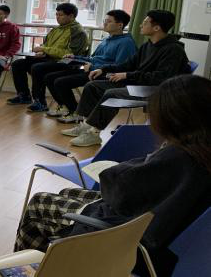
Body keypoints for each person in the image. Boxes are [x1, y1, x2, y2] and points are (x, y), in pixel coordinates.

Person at [15, 74, 211, 277]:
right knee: (66, 192)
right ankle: (52, 265)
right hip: (167, 236)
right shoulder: (200, 149)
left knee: (39, 203)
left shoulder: (180, 156)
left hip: (132, 242)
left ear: (173, 119)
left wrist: (131, 167)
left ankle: (38, 270)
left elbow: (119, 191)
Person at [63, 10, 190, 146]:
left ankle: (94, 133)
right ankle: (86, 126)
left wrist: (127, 75)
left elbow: (161, 78)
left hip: (156, 90)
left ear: (156, 28)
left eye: (145, 23)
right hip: (139, 83)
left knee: (112, 94)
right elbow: (128, 64)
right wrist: (103, 69)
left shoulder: (173, 50)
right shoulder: (148, 45)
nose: (141, 25)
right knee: (92, 86)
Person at [44, 10, 136, 122]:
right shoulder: (106, 39)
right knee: (50, 77)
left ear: (120, 25)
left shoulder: (126, 43)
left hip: (102, 74)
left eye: (109, 21)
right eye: (105, 20)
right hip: (90, 69)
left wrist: (93, 67)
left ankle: (75, 112)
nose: (105, 23)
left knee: (61, 82)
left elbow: (120, 66)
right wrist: (75, 57)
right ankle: (65, 107)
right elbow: (93, 58)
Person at [8, 2, 89, 110]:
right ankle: (24, 95)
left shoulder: (78, 32)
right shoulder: (56, 29)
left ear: (71, 16)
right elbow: (46, 45)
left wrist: (44, 50)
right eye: (56, 14)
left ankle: (40, 102)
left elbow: (70, 54)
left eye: (61, 15)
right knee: (18, 64)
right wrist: (42, 51)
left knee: (37, 68)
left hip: (67, 63)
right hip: (49, 58)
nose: (57, 17)